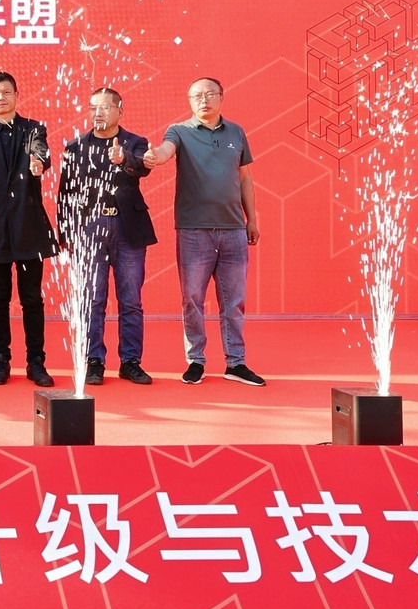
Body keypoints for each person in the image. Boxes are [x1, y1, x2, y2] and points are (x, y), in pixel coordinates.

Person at [143, 77, 264, 386]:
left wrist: (251, 219)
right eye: (196, 96)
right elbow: (165, 151)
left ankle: (235, 362)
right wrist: (154, 156)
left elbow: (245, 177)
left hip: (233, 229)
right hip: (194, 230)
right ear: (189, 101)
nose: (203, 100)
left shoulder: (236, 132)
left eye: (210, 94)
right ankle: (195, 360)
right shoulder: (179, 131)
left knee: (234, 301)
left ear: (221, 97)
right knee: (192, 299)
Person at [57, 87, 156, 386]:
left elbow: (142, 169)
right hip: (89, 230)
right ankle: (94, 361)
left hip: (128, 229)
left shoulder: (136, 142)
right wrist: (65, 235)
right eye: (92, 108)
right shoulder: (75, 147)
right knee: (92, 299)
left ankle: (130, 361)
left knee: (131, 300)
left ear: (119, 111)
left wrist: (123, 158)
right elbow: (66, 193)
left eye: (104, 107)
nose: (97, 113)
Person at [0, 72, 57, 387]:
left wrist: (39, 163)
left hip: (27, 226)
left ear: (17, 95)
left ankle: (36, 362)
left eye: (6, 92)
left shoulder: (33, 129)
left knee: (31, 298)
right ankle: (1, 361)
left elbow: (41, 152)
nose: (1, 98)